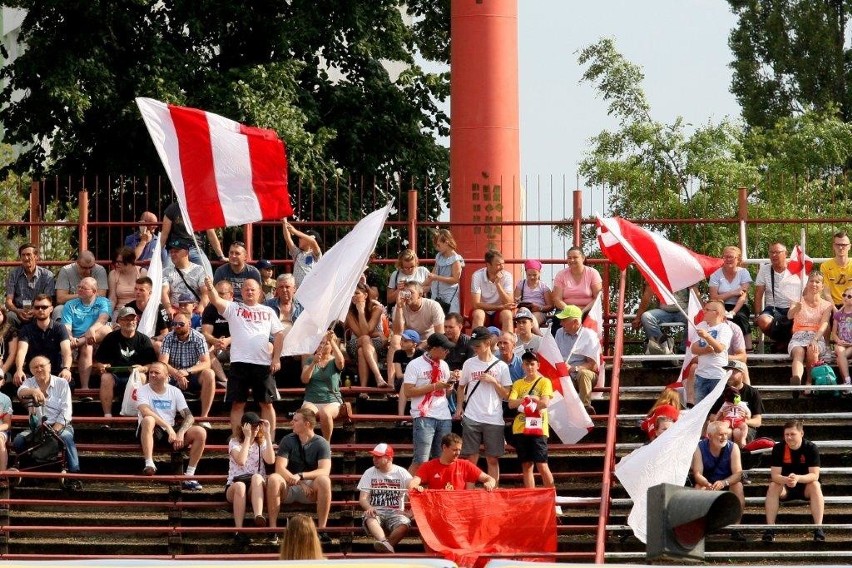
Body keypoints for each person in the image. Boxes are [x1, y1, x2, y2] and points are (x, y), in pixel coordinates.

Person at [205, 277, 284, 433]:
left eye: (253, 289)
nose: (249, 292)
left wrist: (276, 358)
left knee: (266, 403)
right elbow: (215, 299)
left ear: (260, 292)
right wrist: (209, 287)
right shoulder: (233, 308)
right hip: (239, 363)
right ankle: (236, 439)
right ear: (241, 292)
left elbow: (279, 334)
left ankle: (271, 440)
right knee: (237, 404)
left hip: (262, 363)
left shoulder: (268, 311)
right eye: (246, 289)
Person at [135, 361, 207, 490]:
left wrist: (180, 433)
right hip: (152, 431)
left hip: (172, 433)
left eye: (156, 372)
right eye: (150, 372)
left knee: (200, 432)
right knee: (148, 419)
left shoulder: (175, 391)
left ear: (166, 376)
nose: (152, 375)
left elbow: (189, 416)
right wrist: (168, 427)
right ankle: (149, 463)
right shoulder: (142, 390)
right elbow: (145, 411)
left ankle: (189, 475)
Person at [266, 408, 333, 545]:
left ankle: (322, 529)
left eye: (296, 420)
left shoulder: (321, 443)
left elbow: (325, 470)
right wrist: (299, 482)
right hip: (289, 485)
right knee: (273, 478)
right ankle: (272, 529)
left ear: (307, 424)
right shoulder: (287, 440)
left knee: (324, 481)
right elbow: (280, 468)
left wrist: (302, 476)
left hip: (310, 487)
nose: (292, 423)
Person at [456, 326, 512, 484]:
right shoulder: (469, 363)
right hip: (472, 416)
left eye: (478, 345)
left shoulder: (501, 366)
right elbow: (461, 387)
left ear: (488, 343)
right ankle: (469, 493)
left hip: (493, 417)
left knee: (492, 459)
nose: (475, 348)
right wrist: (460, 407)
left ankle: (492, 493)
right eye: (474, 345)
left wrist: (494, 382)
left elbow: (507, 394)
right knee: (471, 458)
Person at [14, 356, 81, 488]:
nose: (39, 369)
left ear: (49, 367)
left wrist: (56, 428)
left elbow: (66, 411)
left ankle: (74, 474)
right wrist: (34, 391)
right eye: (35, 367)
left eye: (42, 366)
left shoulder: (62, 383)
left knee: (66, 437)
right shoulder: (30, 382)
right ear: (31, 370)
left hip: (61, 424)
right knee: (18, 441)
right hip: (38, 426)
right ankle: (30, 471)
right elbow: (20, 391)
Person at [403, 333, 457, 476]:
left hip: (443, 415)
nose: (447, 351)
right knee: (421, 460)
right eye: (444, 349)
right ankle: (409, 494)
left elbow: (446, 394)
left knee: (443, 459)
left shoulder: (444, 365)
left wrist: (449, 386)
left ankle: (436, 493)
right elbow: (408, 391)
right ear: (434, 348)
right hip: (423, 415)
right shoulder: (414, 365)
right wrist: (435, 386)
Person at [763, 420, 824, 543]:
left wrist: (798, 478)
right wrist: (787, 480)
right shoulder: (779, 448)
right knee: (773, 485)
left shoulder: (811, 448)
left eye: (792, 434)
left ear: (801, 433)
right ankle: (770, 528)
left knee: (816, 485)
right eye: (786, 435)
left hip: (805, 486)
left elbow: (814, 475)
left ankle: (818, 528)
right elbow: (775, 475)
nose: (789, 437)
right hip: (785, 486)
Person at [94, 307, 157, 419]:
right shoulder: (111, 338)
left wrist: (143, 368)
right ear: (119, 321)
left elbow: (152, 364)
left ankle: (138, 414)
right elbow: (98, 362)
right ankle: (107, 415)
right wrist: (102, 366)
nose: (130, 322)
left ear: (136, 320)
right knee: (105, 378)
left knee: (142, 376)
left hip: (135, 375)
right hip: (115, 375)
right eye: (126, 319)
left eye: (132, 319)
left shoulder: (143, 339)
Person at [158, 312, 216, 428]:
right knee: (158, 373)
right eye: (175, 323)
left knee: (209, 373)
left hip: (192, 374)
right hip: (173, 374)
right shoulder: (168, 337)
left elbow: (206, 363)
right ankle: (163, 417)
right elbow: (163, 362)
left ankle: (204, 417)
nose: (177, 326)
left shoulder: (198, 337)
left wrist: (187, 371)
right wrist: (178, 374)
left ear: (189, 324)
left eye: (181, 323)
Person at [691, 421, 746, 542]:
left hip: (727, 482)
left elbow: (738, 473)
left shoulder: (733, 447)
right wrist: (707, 483)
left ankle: (736, 529)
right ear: (709, 436)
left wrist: (724, 483)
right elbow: (697, 473)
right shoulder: (699, 447)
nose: (724, 437)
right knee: (698, 488)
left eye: (726, 434)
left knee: (738, 486)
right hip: (708, 482)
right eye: (720, 434)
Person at [227, 411, 275, 548]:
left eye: (257, 426)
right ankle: (239, 531)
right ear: (244, 427)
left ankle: (258, 515)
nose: (256, 429)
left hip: (256, 486)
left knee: (257, 477)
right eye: (253, 426)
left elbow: (270, 460)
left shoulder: (262, 442)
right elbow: (241, 461)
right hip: (236, 485)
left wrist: (267, 434)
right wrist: (248, 438)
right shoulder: (234, 442)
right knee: (241, 486)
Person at [507, 351, 555, 488]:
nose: (529, 367)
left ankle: (553, 499)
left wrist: (530, 401)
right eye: (527, 364)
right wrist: (528, 399)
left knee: (542, 464)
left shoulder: (544, 381)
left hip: (538, 428)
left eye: (532, 364)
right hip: (520, 428)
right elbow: (511, 403)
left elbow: (544, 403)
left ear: (538, 365)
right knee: (526, 465)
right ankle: (532, 498)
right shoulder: (517, 383)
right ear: (522, 366)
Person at [357, 443, 413, 553]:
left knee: (404, 523)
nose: (374, 459)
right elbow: (363, 498)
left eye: (378, 457)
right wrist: (369, 507)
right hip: (377, 512)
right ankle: (384, 542)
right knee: (369, 516)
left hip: (396, 513)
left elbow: (414, 494)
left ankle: (386, 545)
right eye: (374, 456)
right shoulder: (369, 472)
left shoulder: (402, 473)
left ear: (388, 458)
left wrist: (412, 512)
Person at [61, 277, 112, 389]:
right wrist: (70, 337)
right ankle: (85, 387)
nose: (79, 289)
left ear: (94, 291)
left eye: (84, 288)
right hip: (76, 341)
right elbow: (67, 327)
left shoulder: (104, 302)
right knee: (87, 346)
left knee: (107, 329)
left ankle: (82, 341)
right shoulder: (70, 304)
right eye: (79, 287)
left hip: (97, 339)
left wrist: (91, 329)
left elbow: (103, 319)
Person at [787, 271, 832, 398]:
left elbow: (824, 323)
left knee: (813, 350)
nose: (814, 284)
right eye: (811, 281)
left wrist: (815, 339)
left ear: (822, 286)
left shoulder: (826, 305)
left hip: (816, 335)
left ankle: (809, 381)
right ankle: (796, 380)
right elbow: (789, 315)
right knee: (799, 352)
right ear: (806, 284)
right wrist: (796, 307)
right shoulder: (797, 300)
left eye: (818, 282)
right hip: (799, 335)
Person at [387, 281, 444, 380]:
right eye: (405, 292)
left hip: (428, 341)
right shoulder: (400, 305)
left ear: (420, 294)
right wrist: (400, 307)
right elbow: (397, 332)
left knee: (438, 345)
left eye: (411, 293)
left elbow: (440, 334)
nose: (407, 295)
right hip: (408, 340)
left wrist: (424, 344)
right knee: (395, 339)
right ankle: (391, 384)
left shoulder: (433, 305)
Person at [14, 295, 72, 387]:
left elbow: (67, 352)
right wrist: (19, 369)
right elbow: (21, 351)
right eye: (37, 307)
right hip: (32, 373)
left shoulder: (60, 328)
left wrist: (66, 368)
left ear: (51, 309)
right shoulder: (26, 329)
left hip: (55, 372)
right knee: (19, 382)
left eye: (44, 307)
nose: (40, 310)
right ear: (33, 309)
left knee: (69, 383)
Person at [553, 305, 600, 415]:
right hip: (565, 375)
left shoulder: (589, 335)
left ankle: (585, 407)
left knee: (583, 374)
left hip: (585, 375)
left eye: (564, 320)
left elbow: (593, 365)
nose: (561, 323)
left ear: (575, 321)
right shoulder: (559, 333)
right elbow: (555, 355)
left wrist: (574, 368)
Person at [410, 433, 497, 491]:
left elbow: (490, 479)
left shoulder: (465, 465)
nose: (458, 453)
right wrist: (416, 487)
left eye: (459, 450)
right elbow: (413, 483)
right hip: (437, 510)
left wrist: (490, 483)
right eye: (455, 450)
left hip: (458, 510)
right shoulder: (428, 466)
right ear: (444, 447)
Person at [301, 330, 345, 441]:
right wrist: (313, 364)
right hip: (312, 400)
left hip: (331, 400)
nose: (322, 345)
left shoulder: (334, 360)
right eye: (320, 343)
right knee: (305, 413)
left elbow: (341, 362)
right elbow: (304, 379)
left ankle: (326, 444)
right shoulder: (311, 359)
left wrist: (332, 340)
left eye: (326, 343)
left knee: (325, 413)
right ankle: (309, 442)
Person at [709, 360, 764, 448]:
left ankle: (742, 458)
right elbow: (712, 417)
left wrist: (744, 420)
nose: (729, 375)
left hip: (744, 426)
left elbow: (758, 421)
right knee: (726, 433)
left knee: (738, 433)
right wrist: (723, 416)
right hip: (725, 424)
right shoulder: (721, 391)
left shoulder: (752, 392)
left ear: (742, 374)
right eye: (728, 372)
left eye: (733, 372)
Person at [754, 242, 798, 352]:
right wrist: (757, 313)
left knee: (800, 323)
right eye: (771, 252)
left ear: (785, 254)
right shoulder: (764, 270)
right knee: (762, 320)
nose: (774, 255)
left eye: (777, 252)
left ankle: (786, 344)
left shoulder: (795, 269)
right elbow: (759, 293)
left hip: (792, 307)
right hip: (772, 308)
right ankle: (782, 342)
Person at [344, 282, 389, 389]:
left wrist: (362, 311)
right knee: (364, 339)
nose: (353, 296)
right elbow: (363, 334)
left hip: (376, 345)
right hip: (356, 343)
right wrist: (360, 311)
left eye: (357, 293)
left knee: (362, 351)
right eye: (352, 293)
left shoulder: (376, 308)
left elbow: (368, 331)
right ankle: (378, 377)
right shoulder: (349, 312)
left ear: (365, 295)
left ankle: (363, 388)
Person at [709, 245, 754, 351]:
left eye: (731, 257)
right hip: (720, 305)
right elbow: (714, 297)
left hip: (739, 305)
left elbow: (743, 296)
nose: (728, 259)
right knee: (715, 316)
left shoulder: (743, 273)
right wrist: (733, 292)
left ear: (738, 259)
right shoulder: (716, 275)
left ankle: (749, 349)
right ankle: (718, 348)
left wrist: (733, 312)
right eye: (725, 257)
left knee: (740, 317)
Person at [5, 243, 56, 328]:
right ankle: (11, 340)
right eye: (23, 255)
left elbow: (48, 300)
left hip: (39, 310)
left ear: (36, 257)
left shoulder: (47, 275)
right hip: (19, 312)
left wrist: (35, 311)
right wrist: (17, 311)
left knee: (45, 315)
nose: (26, 258)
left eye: (29, 255)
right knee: (10, 316)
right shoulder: (14, 274)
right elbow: (8, 301)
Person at [264, 274, 303, 386]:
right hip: (274, 342)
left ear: (294, 288)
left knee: (307, 351)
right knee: (267, 347)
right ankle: (267, 385)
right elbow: (264, 329)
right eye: (281, 287)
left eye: (287, 287)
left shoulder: (302, 306)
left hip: (296, 343)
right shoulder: (268, 306)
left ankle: (307, 386)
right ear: (276, 290)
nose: (284, 290)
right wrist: (278, 343)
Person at [691, 300, 732, 405]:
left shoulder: (725, 328)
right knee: (699, 411)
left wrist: (707, 336)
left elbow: (719, 348)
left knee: (717, 410)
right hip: (701, 376)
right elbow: (693, 348)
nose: (703, 311)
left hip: (718, 375)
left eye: (707, 309)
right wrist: (705, 350)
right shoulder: (702, 326)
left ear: (716, 313)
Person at [160, 201, 226, 266]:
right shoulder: (172, 208)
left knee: (207, 274)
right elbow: (164, 234)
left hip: (195, 248)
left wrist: (221, 256)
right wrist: (157, 254)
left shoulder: (202, 210)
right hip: (176, 248)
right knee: (167, 273)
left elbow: (211, 234)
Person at [632, 285, 691, 354]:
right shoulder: (658, 275)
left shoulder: (687, 275)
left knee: (694, 317)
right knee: (646, 317)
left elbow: (695, 294)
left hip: (683, 311)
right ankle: (662, 347)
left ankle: (683, 350)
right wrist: (638, 317)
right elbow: (647, 295)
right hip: (664, 311)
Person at [54, 250, 108, 321]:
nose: (88, 271)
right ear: (77, 263)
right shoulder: (66, 270)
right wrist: (84, 295)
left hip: (92, 306)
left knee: (103, 309)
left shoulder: (100, 270)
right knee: (58, 309)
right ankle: (62, 332)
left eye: (91, 267)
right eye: (84, 268)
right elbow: (60, 299)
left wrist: (81, 295)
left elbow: (101, 296)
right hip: (71, 306)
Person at [470, 249, 515, 332]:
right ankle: (474, 342)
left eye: (503, 264)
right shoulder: (477, 276)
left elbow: (509, 302)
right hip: (484, 311)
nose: (502, 267)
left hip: (500, 313)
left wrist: (498, 284)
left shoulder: (507, 276)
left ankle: (509, 342)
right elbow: (476, 304)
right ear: (488, 265)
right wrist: (500, 307)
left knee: (507, 314)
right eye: (498, 265)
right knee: (478, 314)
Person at [161, 237, 208, 315]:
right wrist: (168, 308)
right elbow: (164, 292)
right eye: (171, 252)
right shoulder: (166, 271)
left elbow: (205, 292)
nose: (173, 254)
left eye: (176, 251)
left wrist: (201, 307)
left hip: (194, 311)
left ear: (186, 252)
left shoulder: (199, 269)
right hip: (175, 311)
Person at [551, 246, 602, 317]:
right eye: (569, 258)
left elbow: (598, 297)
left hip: (588, 310)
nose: (572, 260)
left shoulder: (592, 273)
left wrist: (582, 311)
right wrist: (570, 311)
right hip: (565, 310)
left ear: (583, 258)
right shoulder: (561, 274)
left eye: (575, 257)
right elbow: (557, 299)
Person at [201, 280, 234, 387]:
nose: (217, 296)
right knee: (204, 347)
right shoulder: (210, 309)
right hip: (217, 345)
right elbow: (206, 333)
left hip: (236, 344)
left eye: (221, 294)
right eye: (216, 293)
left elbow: (245, 332)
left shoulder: (238, 308)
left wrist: (228, 340)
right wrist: (216, 341)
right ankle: (225, 381)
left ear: (231, 294)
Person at [124, 276, 171, 349]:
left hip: (152, 342)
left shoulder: (159, 308)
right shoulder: (128, 307)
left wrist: (153, 339)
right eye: (136, 289)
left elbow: (165, 333)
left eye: (141, 290)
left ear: (150, 293)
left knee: (158, 345)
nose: (137, 292)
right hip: (132, 341)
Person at [428, 229, 464, 314]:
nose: (436, 248)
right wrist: (420, 285)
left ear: (446, 242)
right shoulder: (439, 256)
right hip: (437, 293)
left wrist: (437, 277)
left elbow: (455, 279)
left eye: (438, 245)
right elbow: (432, 274)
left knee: (450, 318)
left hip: (449, 295)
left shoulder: (455, 259)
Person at [391, 330, 423, 423]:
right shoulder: (398, 353)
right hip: (402, 381)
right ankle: (401, 416)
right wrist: (412, 375)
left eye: (405, 341)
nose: (402, 342)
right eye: (402, 340)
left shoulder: (421, 354)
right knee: (405, 382)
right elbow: (399, 374)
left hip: (418, 381)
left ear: (414, 344)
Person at [282, 219, 322, 288]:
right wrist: (284, 222)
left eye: (301, 237)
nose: (299, 239)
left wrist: (295, 231)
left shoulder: (316, 254)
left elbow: (313, 242)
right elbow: (288, 239)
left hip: (311, 288)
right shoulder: (297, 253)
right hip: (298, 290)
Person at [514, 259, 553, 328]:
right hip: (523, 310)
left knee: (530, 320)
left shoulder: (543, 287)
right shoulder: (521, 284)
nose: (532, 277)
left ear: (539, 273)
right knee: (524, 317)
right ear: (525, 273)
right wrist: (518, 302)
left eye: (534, 275)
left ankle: (536, 336)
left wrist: (539, 308)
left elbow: (550, 306)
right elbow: (515, 301)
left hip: (539, 312)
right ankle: (538, 335)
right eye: (529, 275)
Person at [107, 247, 145, 316]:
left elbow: (145, 296)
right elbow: (112, 298)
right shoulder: (113, 274)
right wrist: (107, 315)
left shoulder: (142, 272)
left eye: (120, 262)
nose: (116, 264)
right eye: (115, 262)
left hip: (138, 310)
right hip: (120, 310)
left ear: (130, 261)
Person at [820, 230, 852, 307]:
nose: (840, 247)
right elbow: (826, 292)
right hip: (833, 305)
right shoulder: (825, 266)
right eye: (838, 244)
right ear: (834, 246)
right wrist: (835, 310)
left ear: (849, 246)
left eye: (844, 244)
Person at [831, 285, 852, 387]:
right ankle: (847, 381)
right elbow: (834, 333)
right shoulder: (838, 314)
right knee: (840, 351)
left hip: (851, 345)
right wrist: (838, 340)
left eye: (849, 296)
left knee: (840, 358)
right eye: (844, 295)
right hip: (842, 344)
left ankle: (846, 382)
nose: (845, 297)